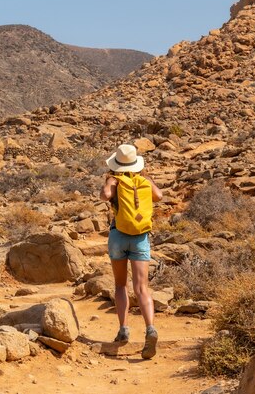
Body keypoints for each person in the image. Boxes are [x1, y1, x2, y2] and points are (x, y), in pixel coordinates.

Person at [100, 144, 163, 360]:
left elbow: (105, 196)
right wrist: (145, 178)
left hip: (118, 235)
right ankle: (150, 329)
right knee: (142, 288)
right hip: (140, 238)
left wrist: (110, 182)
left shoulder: (115, 181)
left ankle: (124, 329)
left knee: (120, 285)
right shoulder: (144, 181)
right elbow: (159, 196)